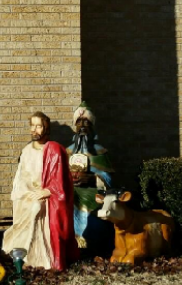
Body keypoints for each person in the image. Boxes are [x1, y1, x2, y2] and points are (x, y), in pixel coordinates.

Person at [2, 112, 79, 271]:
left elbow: (62, 180)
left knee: (36, 208)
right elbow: (21, 177)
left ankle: (39, 255)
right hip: (29, 193)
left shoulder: (54, 150)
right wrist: (26, 193)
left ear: (46, 128)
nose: (34, 129)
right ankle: (22, 253)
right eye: (32, 125)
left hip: (49, 197)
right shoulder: (26, 151)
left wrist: (48, 191)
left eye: (39, 126)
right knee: (25, 205)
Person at [65, 102, 115, 254]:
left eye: (87, 122)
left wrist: (92, 179)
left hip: (94, 200)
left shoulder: (100, 152)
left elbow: (109, 180)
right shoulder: (67, 152)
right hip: (73, 201)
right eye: (79, 122)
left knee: (96, 228)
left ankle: (96, 252)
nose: (82, 126)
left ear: (92, 126)